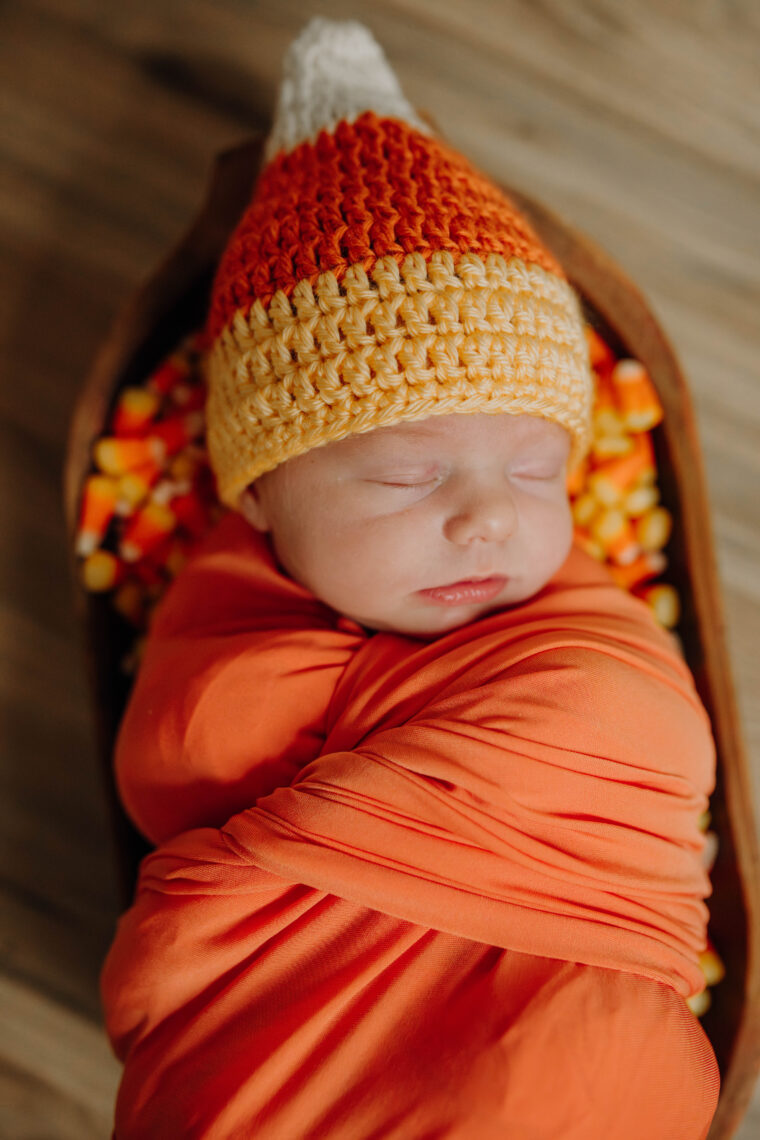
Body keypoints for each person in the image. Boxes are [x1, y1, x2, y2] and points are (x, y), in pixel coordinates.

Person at [100, 17, 720, 1138]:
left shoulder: (576, 629)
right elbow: (184, 756)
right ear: (257, 496)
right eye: (403, 477)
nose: (487, 516)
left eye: (537, 469)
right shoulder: (230, 630)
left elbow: (631, 729)